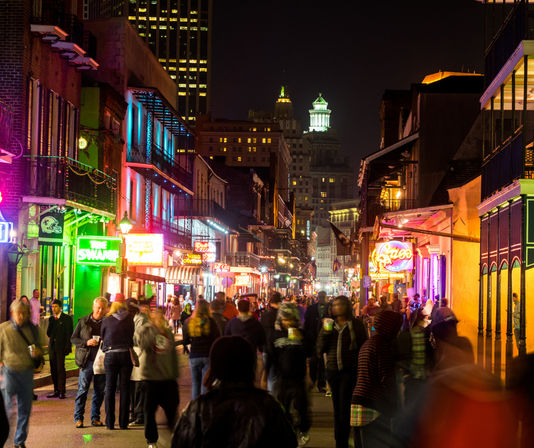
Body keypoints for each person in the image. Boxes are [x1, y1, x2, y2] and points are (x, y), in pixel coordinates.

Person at [172, 336, 298, 448]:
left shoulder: (197, 410)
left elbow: (180, 442)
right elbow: (289, 442)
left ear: (215, 367)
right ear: (250, 365)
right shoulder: (269, 407)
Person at [317, 295, 368, 448]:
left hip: (350, 372)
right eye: (335, 305)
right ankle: (340, 440)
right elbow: (320, 349)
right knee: (337, 407)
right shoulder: (329, 326)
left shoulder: (356, 325)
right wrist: (325, 332)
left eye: (340, 304)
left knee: (345, 407)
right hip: (333, 371)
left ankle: (344, 439)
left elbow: (363, 346)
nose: (337, 307)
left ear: (347, 307)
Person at [351, 310, 403, 448]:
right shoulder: (381, 345)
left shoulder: (369, 343)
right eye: (396, 328)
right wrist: (395, 407)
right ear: (389, 328)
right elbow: (386, 378)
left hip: (360, 404)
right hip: (372, 407)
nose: (398, 333)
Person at [263, 302, 311, 446]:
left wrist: (300, 339)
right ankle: (288, 434)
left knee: (302, 408)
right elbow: (270, 356)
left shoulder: (301, 334)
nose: (288, 322)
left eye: (290, 319)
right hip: (281, 378)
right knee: (282, 409)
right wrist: (264, 376)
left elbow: (309, 353)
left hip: (298, 378)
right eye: (285, 319)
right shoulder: (274, 335)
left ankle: (302, 430)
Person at [0, 299, 46, 448]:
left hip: (26, 372)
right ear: (12, 313)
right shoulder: (3, 329)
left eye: (24, 313)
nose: (21, 316)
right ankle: (6, 438)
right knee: (7, 409)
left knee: (25, 409)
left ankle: (19, 441)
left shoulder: (33, 329)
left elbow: (42, 345)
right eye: (18, 313)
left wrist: (38, 352)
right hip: (9, 372)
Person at [136, 308, 180, 448]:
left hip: (167, 379)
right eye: (156, 315)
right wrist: (153, 329)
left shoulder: (168, 333)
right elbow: (142, 344)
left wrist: (174, 374)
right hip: (150, 378)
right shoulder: (146, 330)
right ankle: (151, 440)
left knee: (172, 411)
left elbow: (173, 354)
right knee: (149, 412)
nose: (159, 318)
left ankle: (176, 437)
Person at [71, 297, 108, 428]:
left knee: (99, 391)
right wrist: (86, 342)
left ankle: (95, 417)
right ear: (93, 307)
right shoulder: (83, 321)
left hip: (101, 361)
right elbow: (73, 338)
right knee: (83, 390)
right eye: (98, 307)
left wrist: (105, 342)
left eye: (103, 308)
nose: (100, 310)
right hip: (86, 361)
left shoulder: (107, 322)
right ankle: (78, 418)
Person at [101, 299, 136, 430]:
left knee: (110, 388)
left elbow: (102, 336)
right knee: (125, 388)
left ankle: (110, 422)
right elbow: (132, 335)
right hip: (125, 354)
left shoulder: (107, 319)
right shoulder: (130, 319)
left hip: (111, 354)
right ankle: (123, 422)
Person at [183, 299, 220, 399]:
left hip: (194, 355)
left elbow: (185, 339)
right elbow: (217, 337)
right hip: (207, 355)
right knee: (205, 384)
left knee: (195, 384)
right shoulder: (211, 322)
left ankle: (195, 408)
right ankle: (205, 407)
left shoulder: (190, 322)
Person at [129, 298, 150, 427]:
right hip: (135, 355)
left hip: (140, 355)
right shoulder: (136, 318)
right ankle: (135, 414)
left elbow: (138, 338)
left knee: (138, 387)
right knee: (134, 387)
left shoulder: (141, 319)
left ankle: (139, 415)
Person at [46, 298, 73, 399]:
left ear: (60, 308)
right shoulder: (52, 319)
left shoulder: (66, 318)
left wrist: (68, 346)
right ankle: (56, 390)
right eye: (52, 306)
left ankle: (62, 391)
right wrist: (52, 322)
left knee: (60, 368)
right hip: (52, 347)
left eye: (56, 306)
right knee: (53, 369)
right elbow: (49, 333)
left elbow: (69, 333)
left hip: (61, 347)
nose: (53, 308)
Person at [304, 291, 328, 393]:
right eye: (320, 296)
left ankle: (321, 384)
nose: (322, 298)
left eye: (323, 296)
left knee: (323, 364)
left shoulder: (329, 308)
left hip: (325, 340)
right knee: (313, 362)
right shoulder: (311, 309)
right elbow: (307, 324)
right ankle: (313, 381)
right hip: (313, 339)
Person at [260, 292, 283, 391]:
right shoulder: (282, 315)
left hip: (266, 347)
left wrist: (261, 347)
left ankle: (272, 396)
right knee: (279, 374)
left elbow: (261, 332)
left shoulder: (264, 315)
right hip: (280, 347)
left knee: (270, 375)